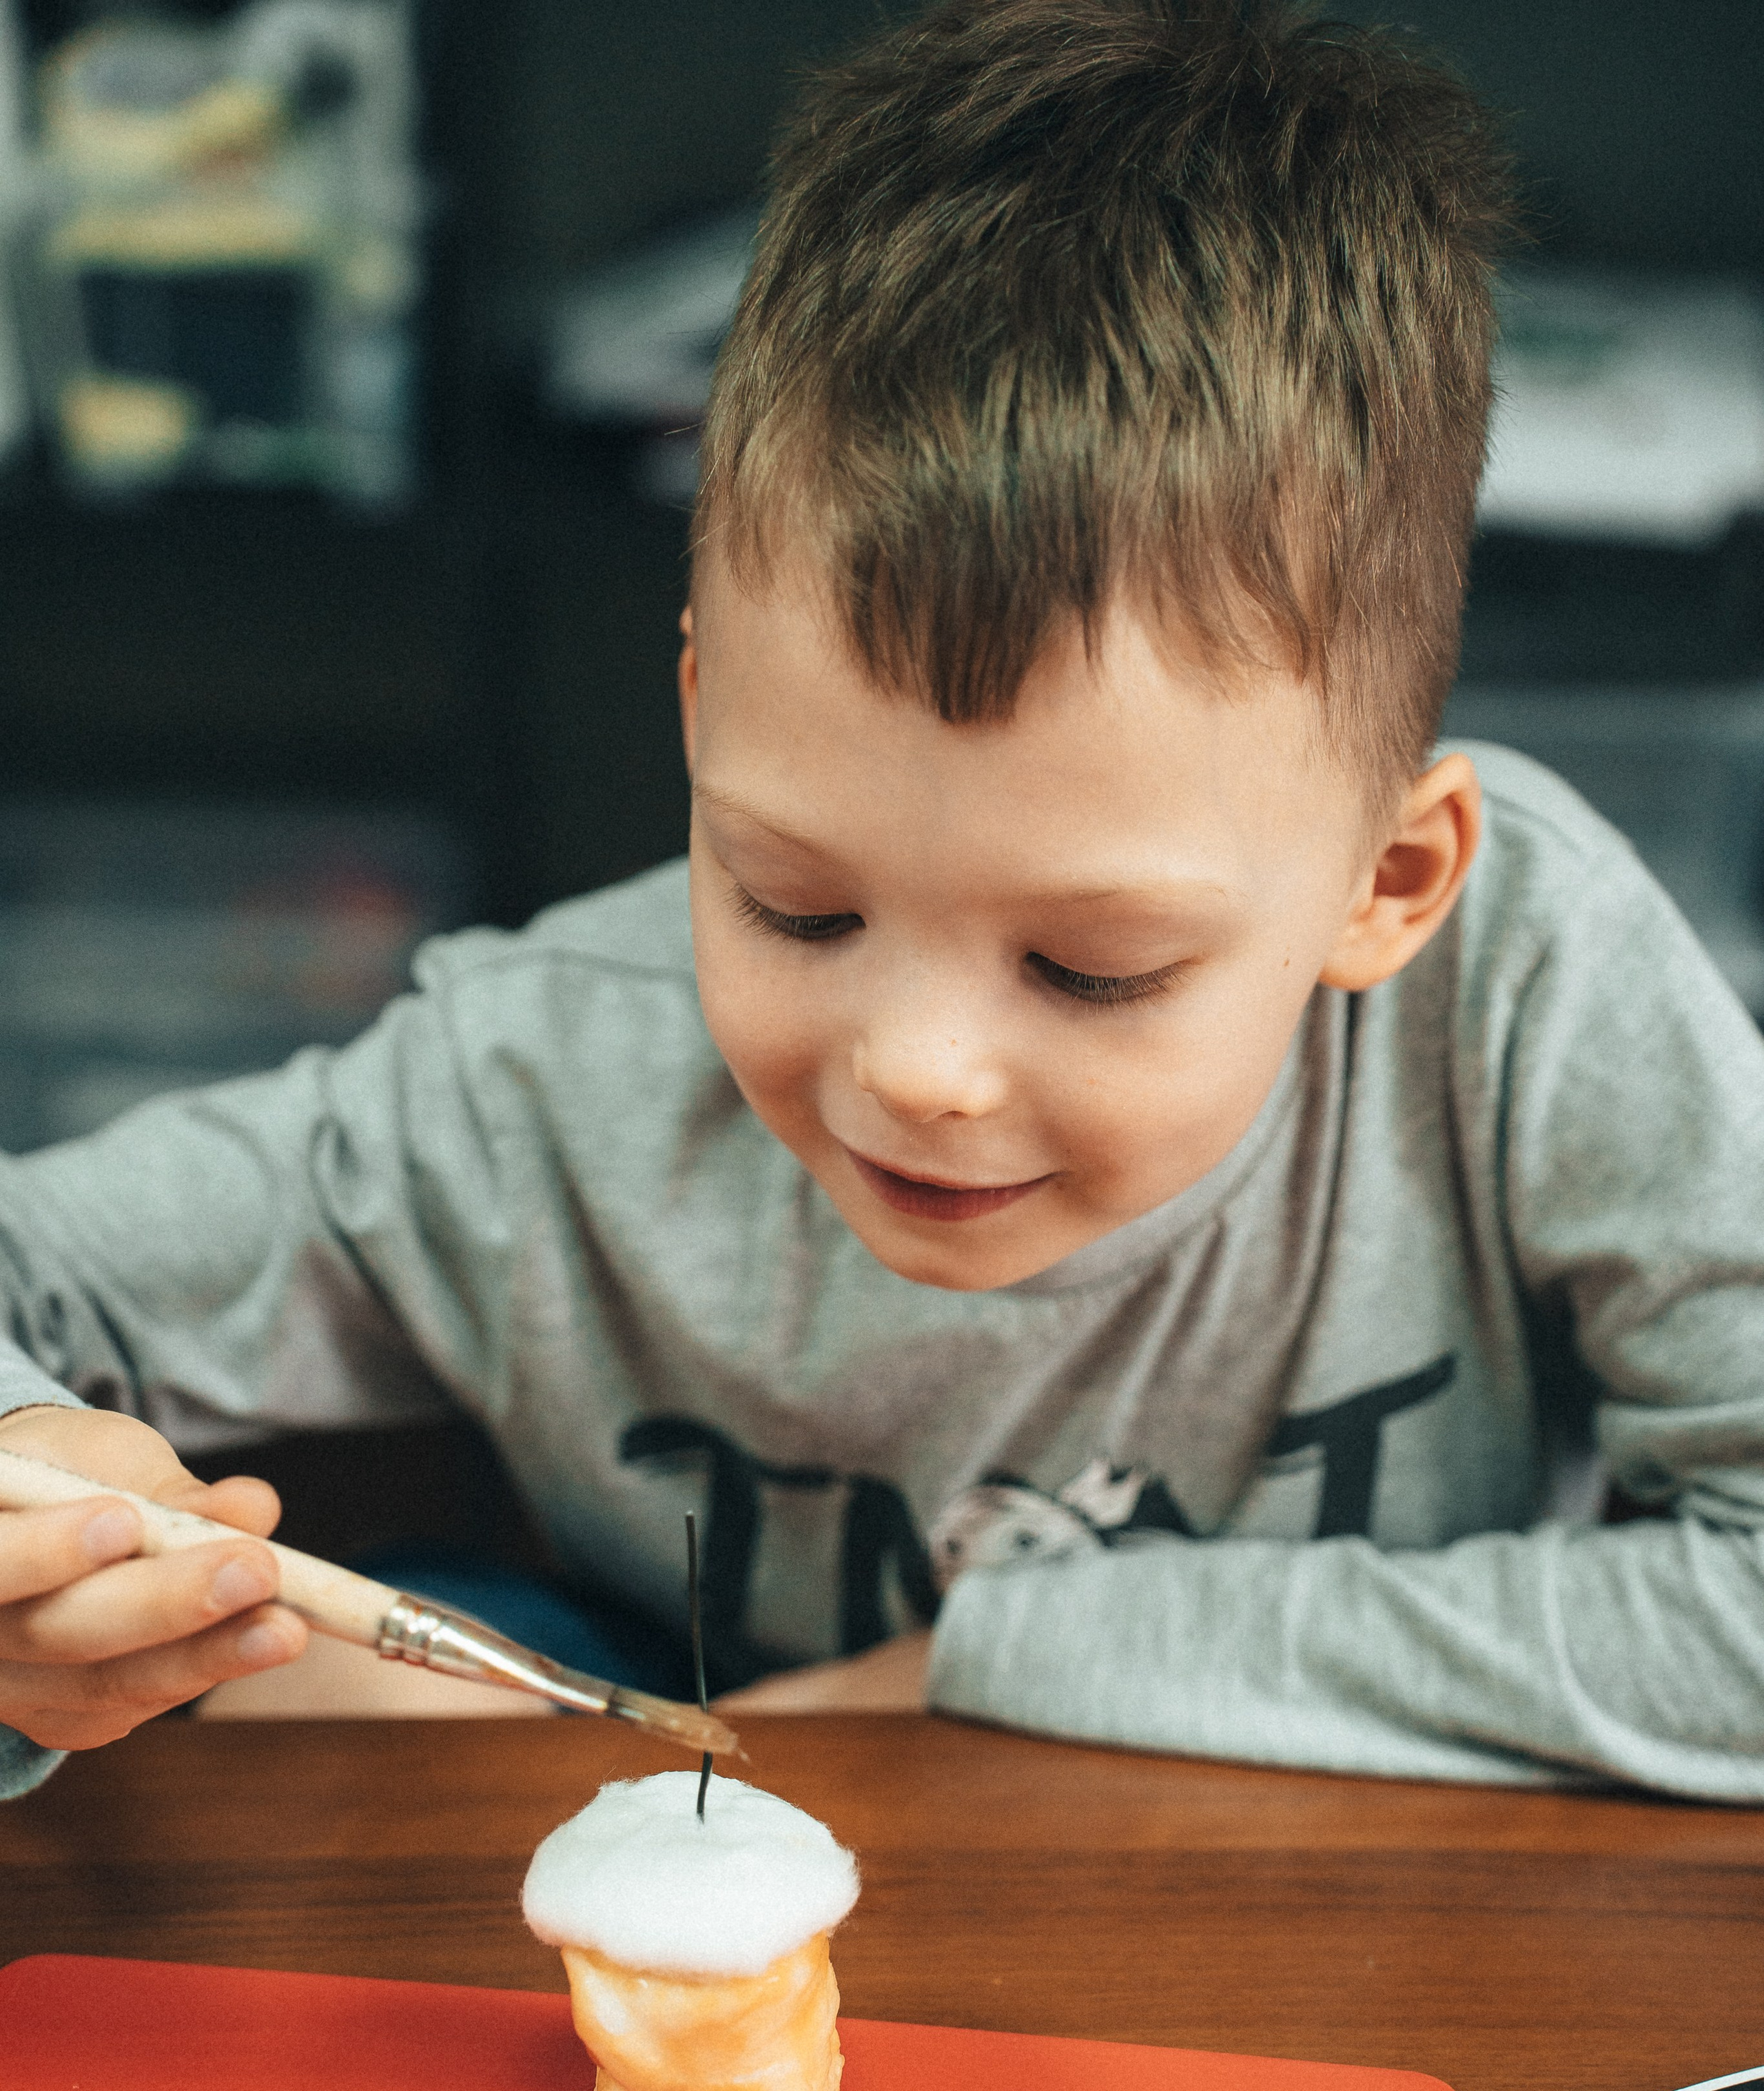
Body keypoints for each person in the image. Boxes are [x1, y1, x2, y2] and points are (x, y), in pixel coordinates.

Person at [2, 0, 1763, 1802]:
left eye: (1095, 966)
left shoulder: (1527, 990)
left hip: (1339, 1904)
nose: (917, 1071)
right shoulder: (539, 1079)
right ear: (701, 719)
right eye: (796, 906)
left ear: (1390, 883)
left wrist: (974, 1670)